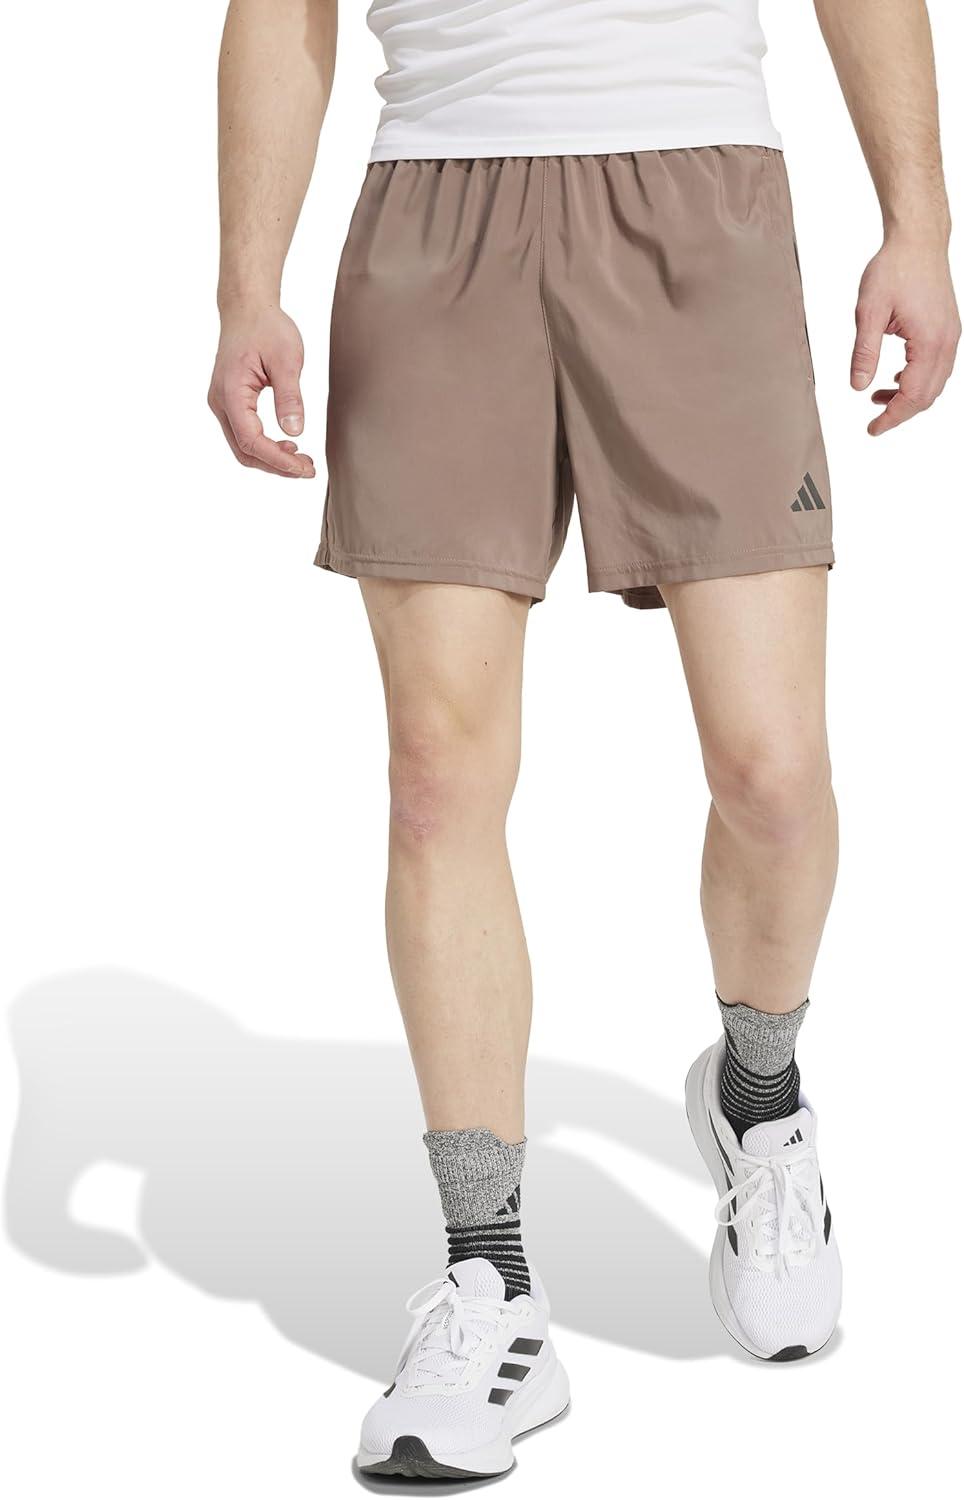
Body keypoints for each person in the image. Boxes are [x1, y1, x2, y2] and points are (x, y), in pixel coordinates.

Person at [208, 0, 959, 1479]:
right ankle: (488, 1280)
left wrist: (918, 222)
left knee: (772, 771)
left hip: (697, 194)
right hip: (436, 209)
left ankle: (759, 1095)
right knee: (436, 782)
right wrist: (248, 285)